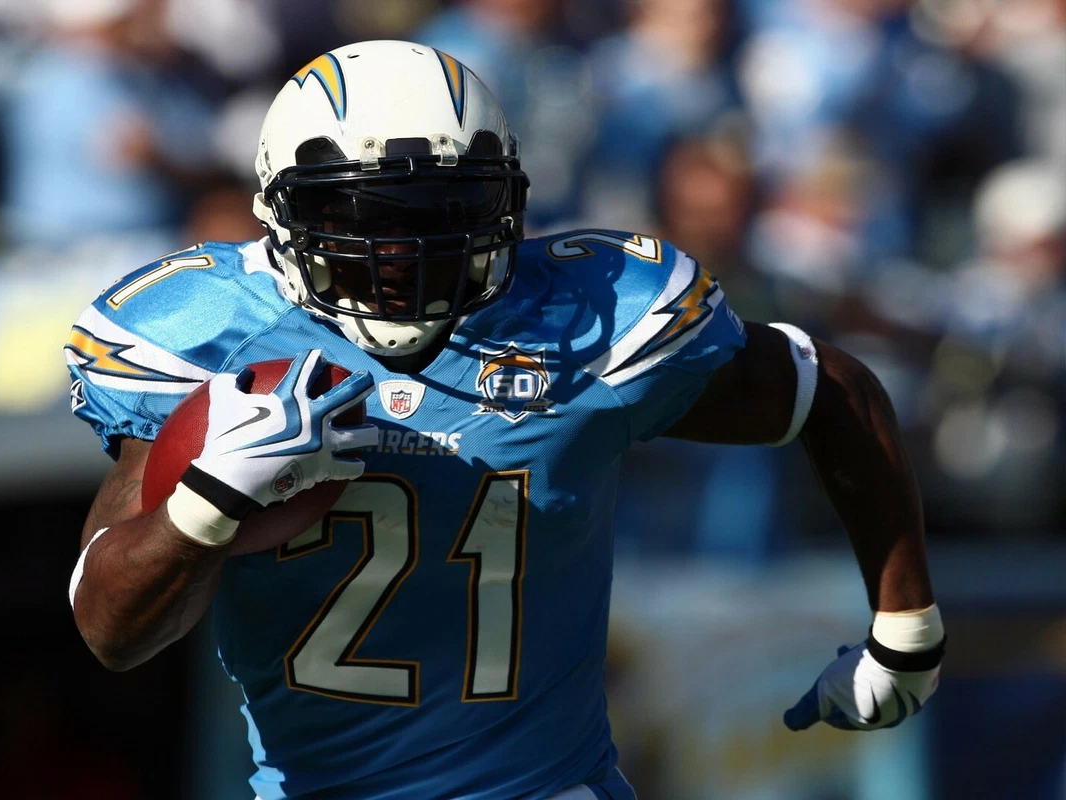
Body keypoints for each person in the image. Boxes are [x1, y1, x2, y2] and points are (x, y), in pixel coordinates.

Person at [65, 40, 946, 800]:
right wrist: (206, 503)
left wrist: (906, 630)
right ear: (281, 210)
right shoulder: (208, 334)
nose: (401, 248)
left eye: (443, 209)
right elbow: (113, 632)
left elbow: (828, 386)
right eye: (362, 211)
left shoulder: (586, 320)